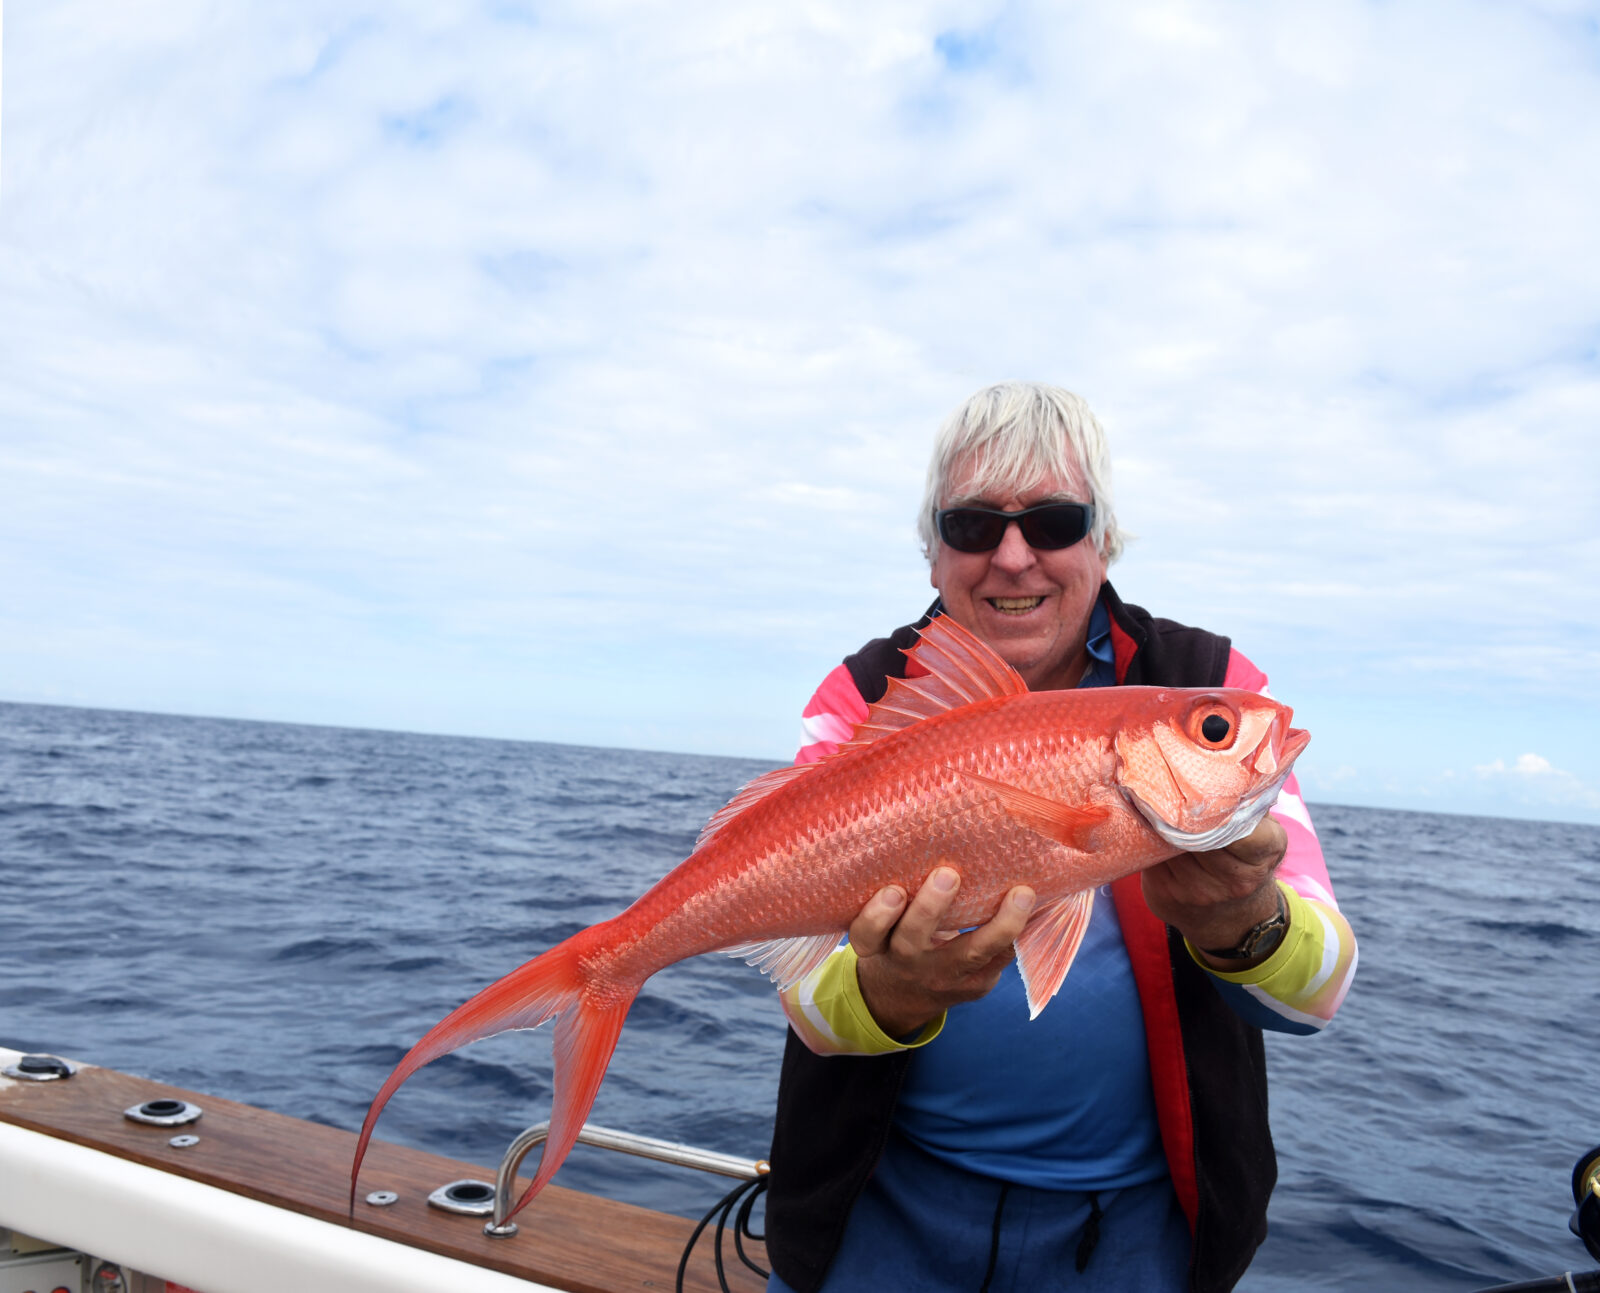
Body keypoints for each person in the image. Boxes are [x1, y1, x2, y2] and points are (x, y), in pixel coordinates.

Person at [762, 383, 1357, 1293]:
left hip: (1132, 1233)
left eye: (1055, 520)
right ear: (932, 554)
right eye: (970, 525)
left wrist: (1248, 921)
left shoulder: (1210, 683)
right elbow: (805, 1003)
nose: (1012, 556)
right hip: (881, 1205)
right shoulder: (865, 698)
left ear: (1103, 541)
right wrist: (886, 992)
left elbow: (1319, 993)